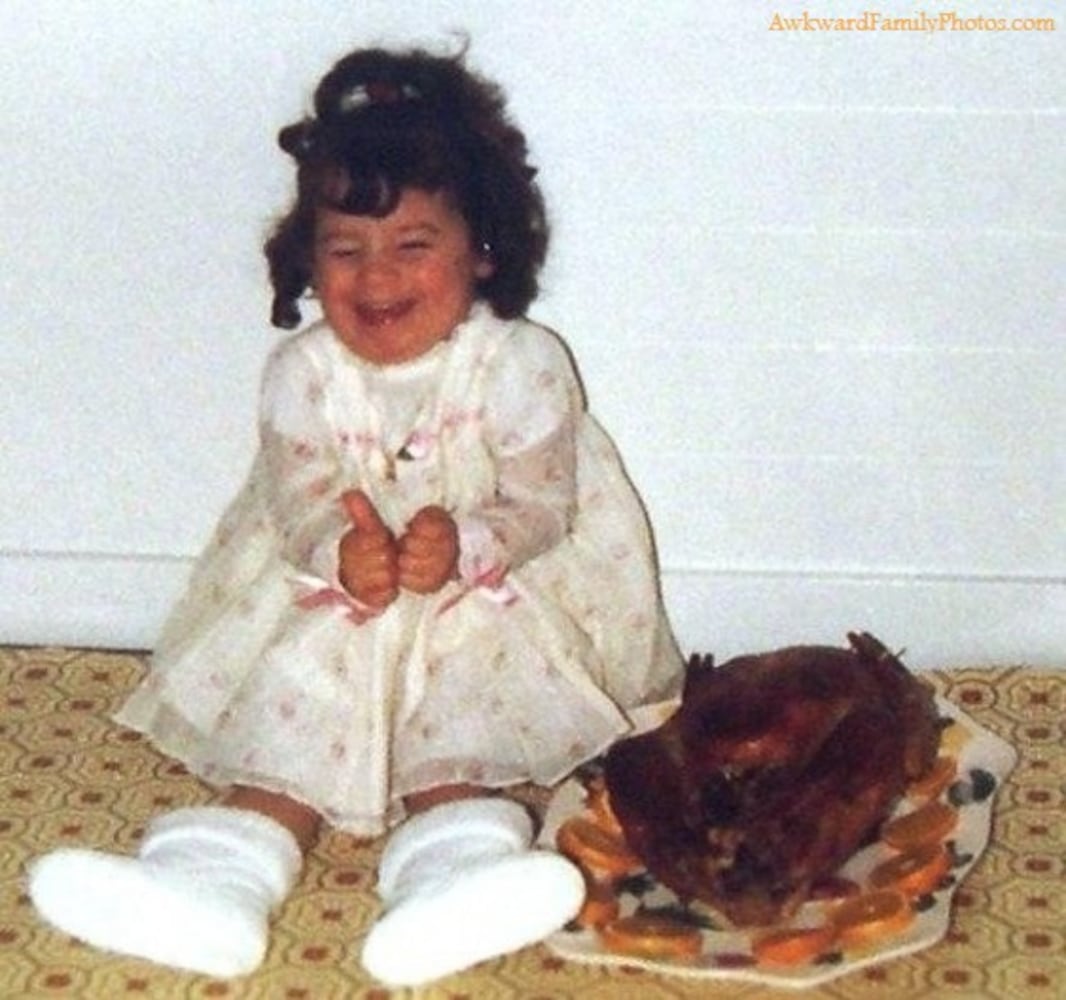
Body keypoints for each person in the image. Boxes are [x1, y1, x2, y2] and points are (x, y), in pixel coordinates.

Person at [28, 43, 684, 986]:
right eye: (346, 248)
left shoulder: (521, 364)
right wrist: (340, 550)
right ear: (310, 256)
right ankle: (214, 883)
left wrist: (466, 541)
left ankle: (458, 873)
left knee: (460, 718)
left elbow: (547, 503)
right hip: (340, 592)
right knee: (301, 698)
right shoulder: (303, 374)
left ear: (481, 249)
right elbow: (293, 499)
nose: (377, 276)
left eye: (413, 245)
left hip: (481, 596)